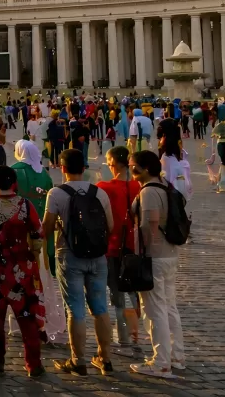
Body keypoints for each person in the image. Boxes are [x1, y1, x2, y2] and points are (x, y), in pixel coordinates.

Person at [43, 148, 115, 376]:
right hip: (97, 256)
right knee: (100, 308)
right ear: (84, 168)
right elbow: (110, 226)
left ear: (62, 168)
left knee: (75, 310)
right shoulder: (99, 193)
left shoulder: (56, 193)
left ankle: (78, 360)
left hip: (70, 255)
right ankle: (105, 358)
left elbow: (46, 228)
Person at [0, 165, 45, 377]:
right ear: (14, 183)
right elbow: (37, 234)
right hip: (21, 270)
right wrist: (33, 257)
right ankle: (34, 364)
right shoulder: (25, 205)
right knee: (26, 317)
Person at [128, 149, 184, 378]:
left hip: (154, 256)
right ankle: (176, 356)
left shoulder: (149, 191)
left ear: (145, 169)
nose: (131, 169)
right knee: (169, 307)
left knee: (155, 310)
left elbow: (149, 225)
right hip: (169, 254)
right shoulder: (164, 186)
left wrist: (141, 253)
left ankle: (161, 363)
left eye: (133, 166)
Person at [97, 145, 142, 355]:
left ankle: (124, 340)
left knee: (117, 296)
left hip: (113, 246)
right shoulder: (138, 186)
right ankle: (135, 335)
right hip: (135, 246)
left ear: (113, 163)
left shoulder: (104, 187)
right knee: (134, 293)